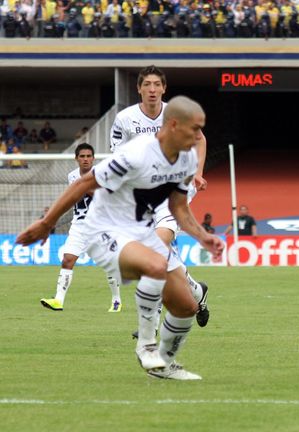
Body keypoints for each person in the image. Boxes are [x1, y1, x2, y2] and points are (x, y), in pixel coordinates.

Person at [17, 96, 224, 380]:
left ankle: (164, 362)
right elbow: (84, 183)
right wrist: (47, 222)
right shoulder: (136, 154)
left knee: (186, 307)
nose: (198, 137)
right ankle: (146, 344)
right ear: (174, 125)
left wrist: (203, 236)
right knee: (154, 263)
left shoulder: (184, 160)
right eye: (194, 130)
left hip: (144, 228)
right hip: (106, 230)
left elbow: (179, 207)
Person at [110, 65, 211, 332]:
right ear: (139, 89)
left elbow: (200, 139)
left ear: (164, 88)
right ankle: (196, 290)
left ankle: (151, 324)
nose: (152, 90)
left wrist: (198, 173)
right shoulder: (124, 119)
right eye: (147, 85)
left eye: (157, 85)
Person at [39, 143, 122, 312]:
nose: (85, 159)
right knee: (67, 260)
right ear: (76, 158)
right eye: (82, 156)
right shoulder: (72, 176)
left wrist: (85, 187)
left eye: (88, 156)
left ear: (93, 158)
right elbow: (72, 198)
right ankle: (58, 300)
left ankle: (116, 300)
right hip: (79, 225)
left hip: (101, 225)